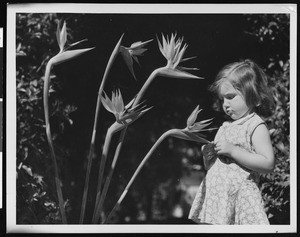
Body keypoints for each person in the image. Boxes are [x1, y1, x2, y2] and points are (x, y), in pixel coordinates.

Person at [189, 59, 275, 225]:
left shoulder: (255, 125)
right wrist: (209, 158)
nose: (225, 105)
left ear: (253, 95)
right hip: (219, 199)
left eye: (230, 97)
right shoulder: (224, 127)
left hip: (240, 198)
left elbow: (268, 163)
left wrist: (234, 151)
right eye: (222, 100)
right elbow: (216, 167)